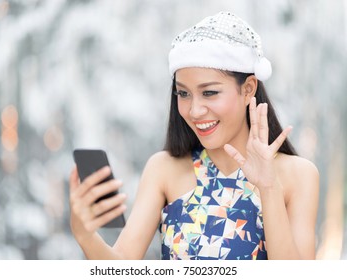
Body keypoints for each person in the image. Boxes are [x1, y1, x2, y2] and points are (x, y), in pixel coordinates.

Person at [69, 11, 319, 260]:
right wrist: (85, 235)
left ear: (248, 89)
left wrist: (268, 187)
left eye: (209, 93)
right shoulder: (163, 169)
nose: (194, 110)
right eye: (183, 94)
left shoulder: (298, 175)